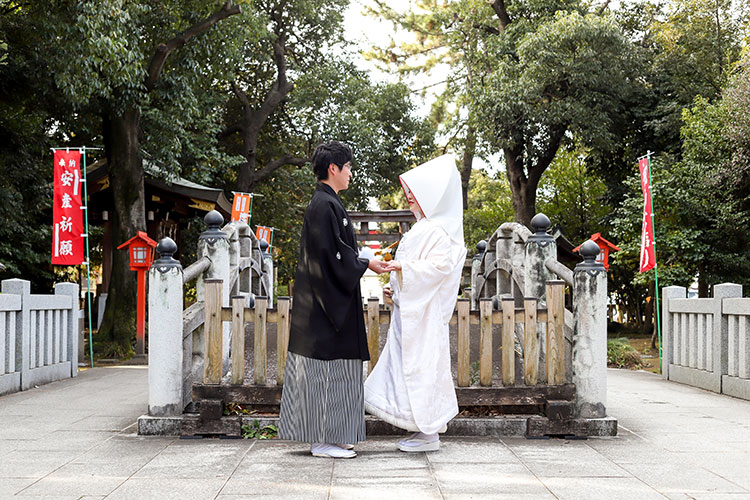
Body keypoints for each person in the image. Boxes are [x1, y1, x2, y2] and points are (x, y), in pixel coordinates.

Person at [279, 141, 387, 459]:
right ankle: (321, 440)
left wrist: (364, 261)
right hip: (325, 305)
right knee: (325, 368)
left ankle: (335, 436)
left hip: (330, 302)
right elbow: (332, 258)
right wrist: (364, 263)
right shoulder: (324, 206)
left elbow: (342, 254)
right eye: (349, 167)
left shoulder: (328, 204)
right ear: (333, 169)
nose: (351, 173)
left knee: (339, 368)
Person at [364, 154, 466, 452]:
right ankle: (421, 429)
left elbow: (439, 268)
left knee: (423, 367)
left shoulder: (438, 231)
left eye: (414, 194)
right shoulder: (426, 227)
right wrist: (397, 289)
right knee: (409, 367)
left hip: (424, 315)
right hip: (411, 310)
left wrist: (402, 269)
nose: (409, 199)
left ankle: (429, 432)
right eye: (408, 194)